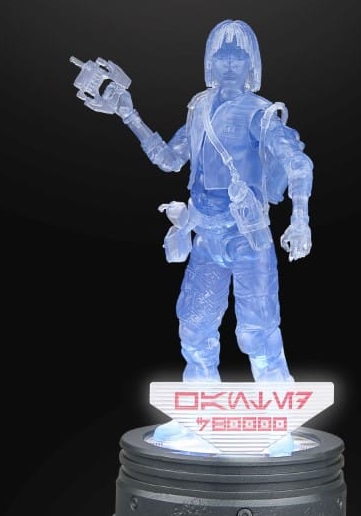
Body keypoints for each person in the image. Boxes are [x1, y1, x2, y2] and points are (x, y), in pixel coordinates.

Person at [71, 20, 313, 383]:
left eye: (237, 56)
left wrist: (300, 219)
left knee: (258, 330)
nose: (229, 64)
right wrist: (128, 115)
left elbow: (297, 162)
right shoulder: (199, 109)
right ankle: (201, 396)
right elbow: (169, 159)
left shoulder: (259, 113)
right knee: (195, 329)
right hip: (206, 234)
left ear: (251, 64)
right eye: (222, 56)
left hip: (247, 236)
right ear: (210, 63)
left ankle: (276, 396)